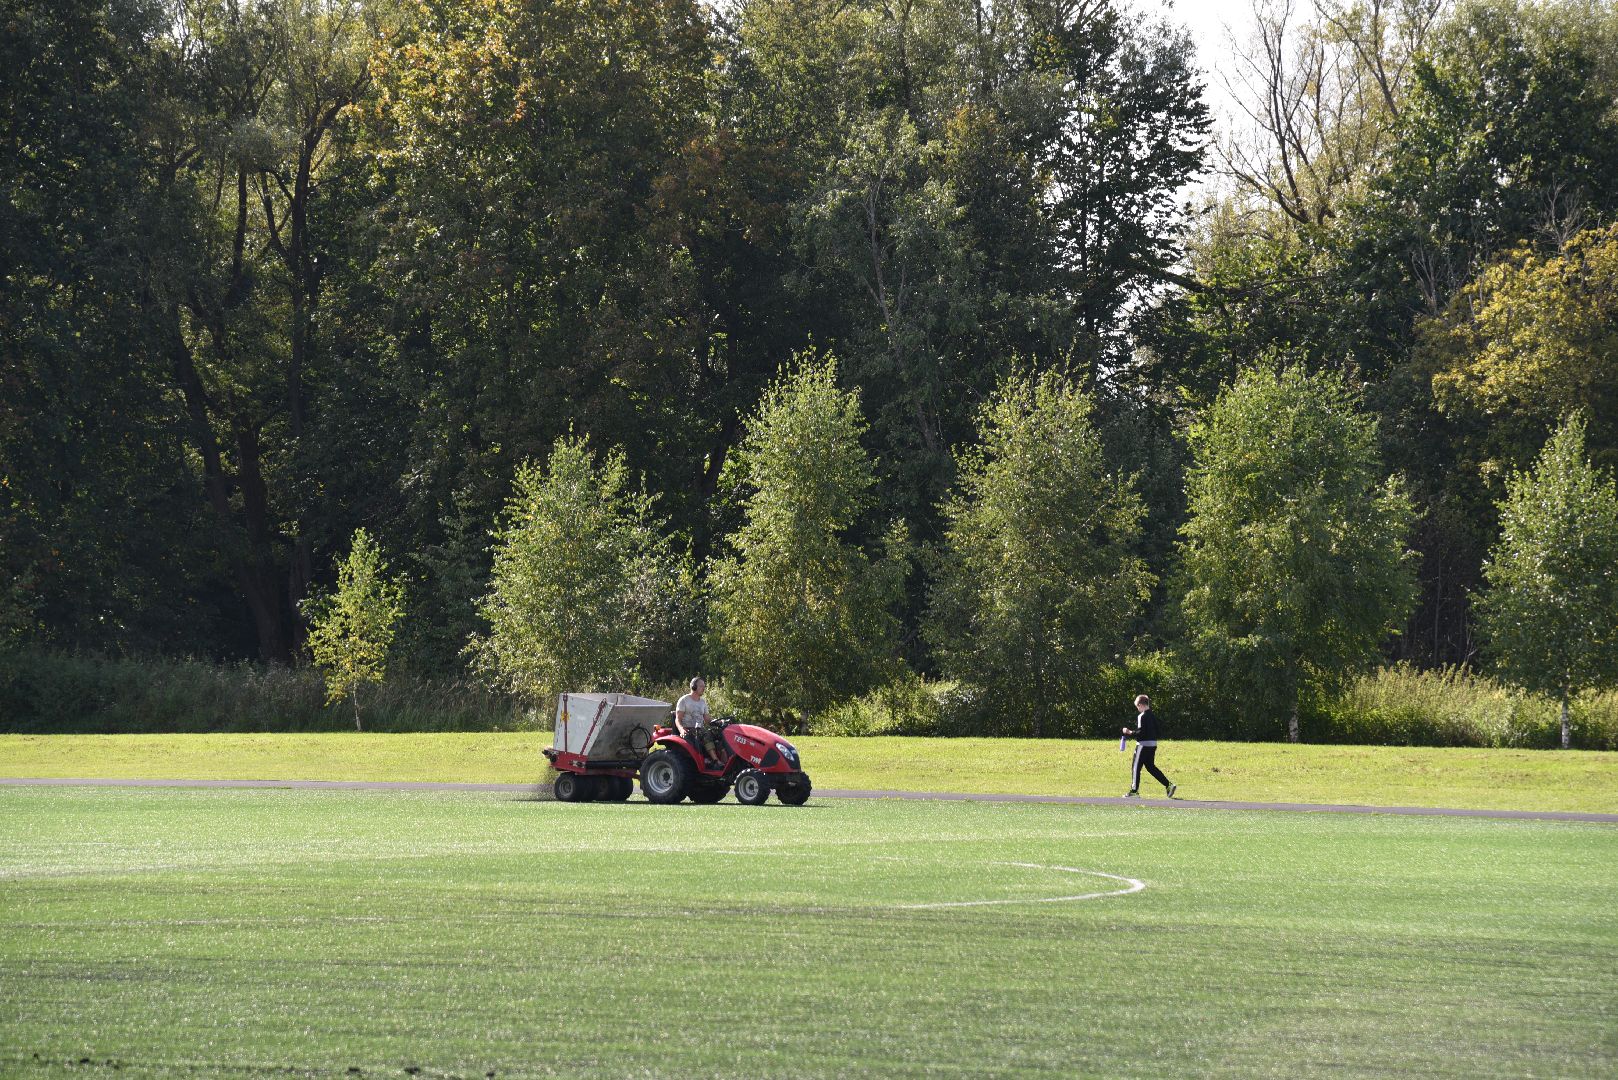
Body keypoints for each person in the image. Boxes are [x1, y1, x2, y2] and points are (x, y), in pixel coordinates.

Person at [1122, 693, 1177, 799]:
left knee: (1135, 767)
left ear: (1140, 705)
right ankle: (1168, 785)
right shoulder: (1152, 715)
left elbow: (1140, 732)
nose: (1138, 709)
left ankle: (1134, 791)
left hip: (1142, 745)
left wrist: (1129, 732)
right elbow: (1158, 731)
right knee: (1150, 767)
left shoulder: (1141, 716)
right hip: (1153, 745)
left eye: (1137, 706)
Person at [674, 677, 724, 769]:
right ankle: (716, 761)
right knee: (706, 733)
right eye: (701, 686)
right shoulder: (684, 700)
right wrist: (681, 729)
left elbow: (707, 719)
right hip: (688, 728)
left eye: (704, 686)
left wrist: (719, 722)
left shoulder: (702, 702)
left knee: (719, 733)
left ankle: (724, 758)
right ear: (693, 687)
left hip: (700, 729)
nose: (703, 688)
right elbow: (678, 719)